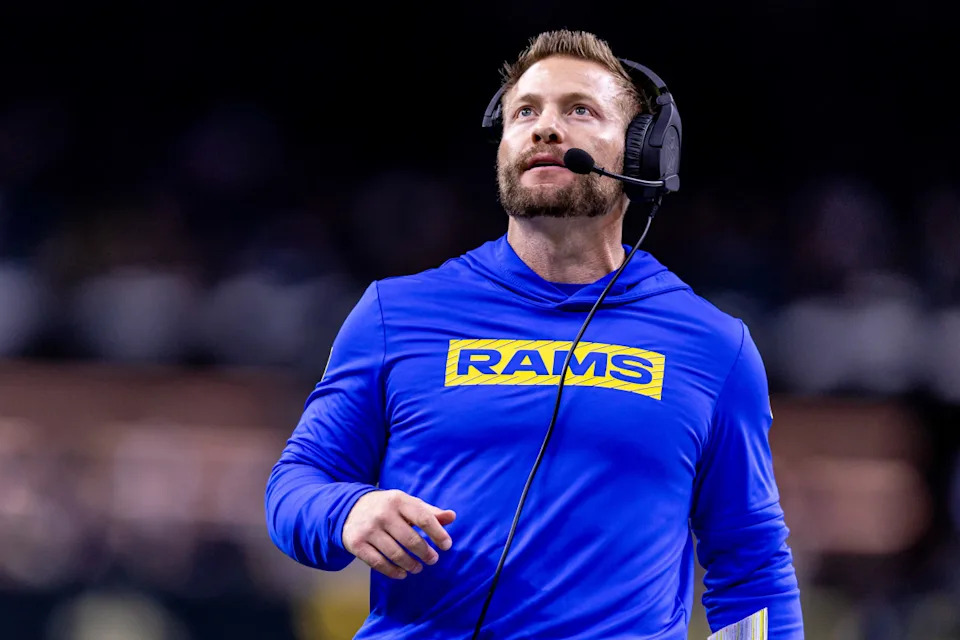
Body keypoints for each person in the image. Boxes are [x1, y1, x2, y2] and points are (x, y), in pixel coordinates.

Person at [265, 29, 804, 639]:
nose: (545, 128)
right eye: (525, 111)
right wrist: (349, 510)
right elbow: (296, 484)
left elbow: (751, 568)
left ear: (642, 154)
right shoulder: (396, 312)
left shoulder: (713, 347)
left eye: (580, 110)